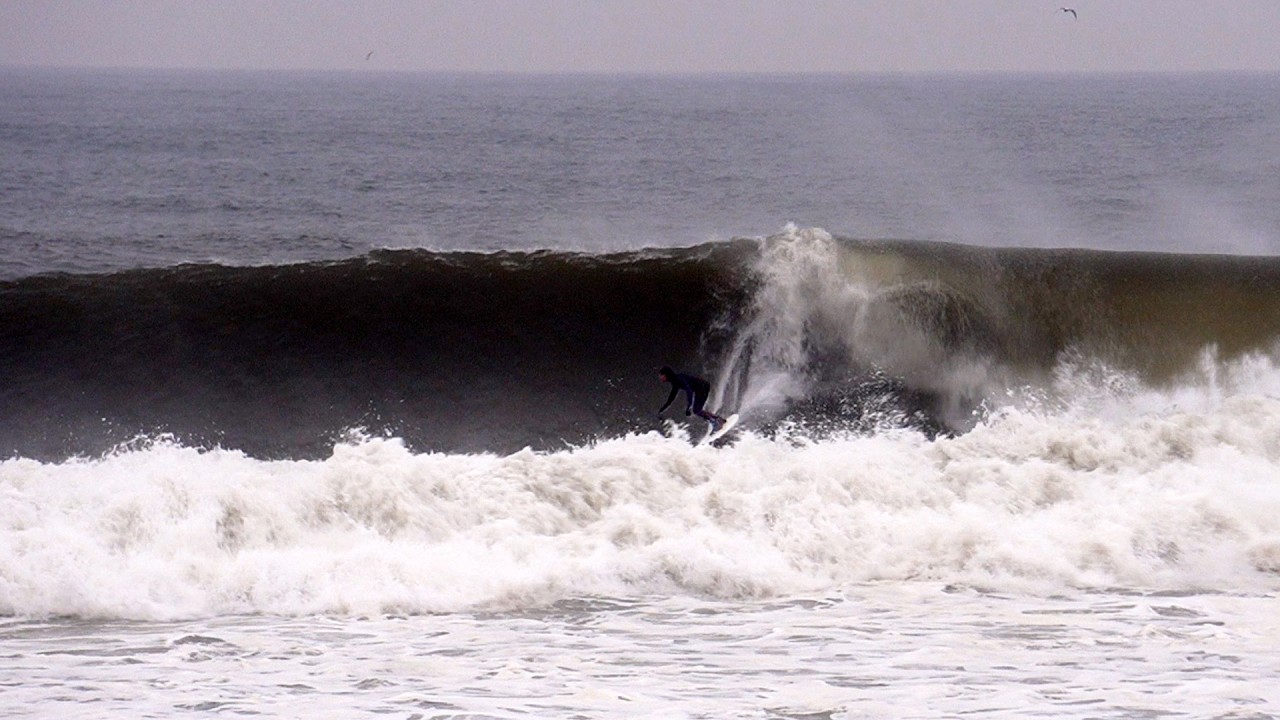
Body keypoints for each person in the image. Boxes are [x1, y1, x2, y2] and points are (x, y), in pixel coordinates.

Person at [657, 366, 726, 430]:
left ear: (666, 375)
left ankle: (715, 423)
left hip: (702, 387)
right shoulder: (675, 382)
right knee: (698, 410)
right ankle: (719, 420)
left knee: (697, 410)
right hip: (703, 386)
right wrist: (662, 410)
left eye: (661, 375)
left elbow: (689, 391)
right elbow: (671, 398)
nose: (660, 377)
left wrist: (689, 406)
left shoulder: (678, 379)